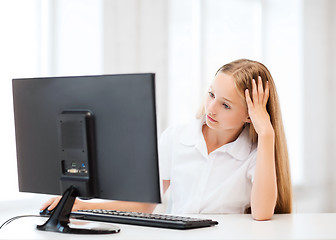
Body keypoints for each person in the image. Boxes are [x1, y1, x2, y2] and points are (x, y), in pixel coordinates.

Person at [41, 59, 292, 221]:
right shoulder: (177, 137)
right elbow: (144, 206)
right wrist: (79, 207)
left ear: (250, 115)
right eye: (211, 94)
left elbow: (262, 213)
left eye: (225, 105)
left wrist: (267, 134)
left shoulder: (253, 153)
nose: (211, 109)